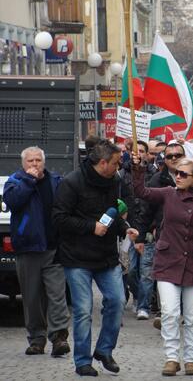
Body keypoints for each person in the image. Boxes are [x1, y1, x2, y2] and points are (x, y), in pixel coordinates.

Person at [53, 139, 139, 377]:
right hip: (77, 257)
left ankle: (103, 350)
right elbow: (59, 219)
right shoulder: (71, 183)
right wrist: (91, 227)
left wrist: (124, 229)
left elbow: (111, 213)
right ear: (102, 163)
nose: (119, 167)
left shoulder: (113, 181)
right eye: (115, 163)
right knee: (82, 309)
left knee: (117, 300)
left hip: (105, 256)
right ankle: (82, 361)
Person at [131, 154, 193, 376]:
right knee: (170, 312)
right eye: (177, 172)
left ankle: (191, 359)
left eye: (183, 174)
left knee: (192, 316)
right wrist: (138, 168)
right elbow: (141, 192)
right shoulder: (168, 194)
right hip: (168, 259)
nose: (177, 177)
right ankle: (171, 357)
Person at [3, 147, 70, 357]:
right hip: (28, 248)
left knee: (57, 295)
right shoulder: (15, 181)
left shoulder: (55, 181)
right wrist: (29, 181)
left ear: (44, 162)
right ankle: (37, 339)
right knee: (31, 298)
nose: (34, 164)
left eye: (38, 160)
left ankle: (59, 337)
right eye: (30, 161)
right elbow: (13, 202)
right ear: (23, 164)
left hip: (52, 248)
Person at [141, 142, 187, 330]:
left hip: (188, 237)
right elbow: (147, 208)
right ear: (164, 159)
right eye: (170, 156)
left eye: (178, 155)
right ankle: (165, 311)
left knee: (184, 276)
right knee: (164, 275)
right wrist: (142, 235)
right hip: (164, 235)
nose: (174, 158)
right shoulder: (156, 180)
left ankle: (182, 311)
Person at [119, 140, 157, 320]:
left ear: (147, 154)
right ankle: (137, 295)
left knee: (146, 271)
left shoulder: (154, 174)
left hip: (148, 228)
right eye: (135, 150)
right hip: (129, 229)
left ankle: (144, 305)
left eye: (142, 151)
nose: (139, 154)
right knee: (132, 270)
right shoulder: (121, 174)